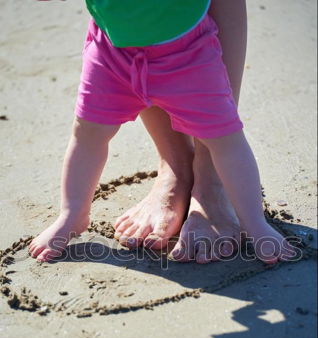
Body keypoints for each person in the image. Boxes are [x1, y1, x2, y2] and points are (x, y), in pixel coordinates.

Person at [30, 0, 295, 264]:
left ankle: (253, 223)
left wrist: (257, 227)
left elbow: (231, 146)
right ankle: (72, 213)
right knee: (87, 134)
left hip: (188, 56)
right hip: (111, 51)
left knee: (224, 139)